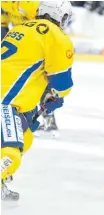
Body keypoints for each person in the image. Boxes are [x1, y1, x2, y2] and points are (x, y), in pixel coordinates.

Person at [1, 1, 74, 201]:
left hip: (10, 103)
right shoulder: (57, 36)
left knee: (26, 135)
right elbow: (61, 84)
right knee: (11, 153)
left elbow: (24, 69)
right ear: (61, 16)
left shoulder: (22, 28)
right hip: (5, 104)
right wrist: (55, 98)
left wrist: (29, 111)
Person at [1, 1, 60, 137]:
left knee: (43, 79)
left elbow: (47, 27)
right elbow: (2, 25)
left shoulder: (33, 4)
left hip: (40, 42)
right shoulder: (4, 3)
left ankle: (49, 117)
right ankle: (23, 118)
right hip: (22, 41)